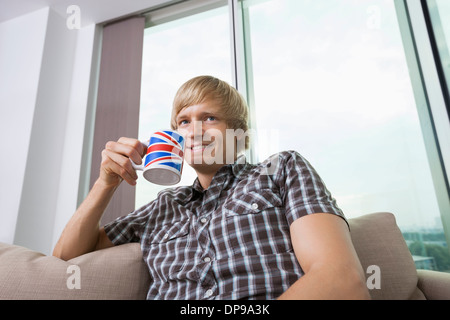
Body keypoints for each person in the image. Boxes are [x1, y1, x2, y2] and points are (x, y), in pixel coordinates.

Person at [53, 75, 370, 300]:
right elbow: (66, 255)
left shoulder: (281, 170)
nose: (193, 131)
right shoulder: (164, 205)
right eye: (184, 122)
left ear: (239, 135)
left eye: (209, 118)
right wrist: (105, 183)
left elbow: (342, 280)